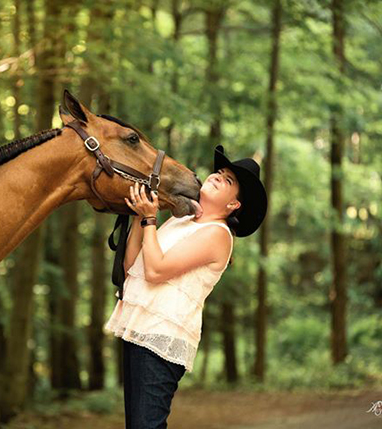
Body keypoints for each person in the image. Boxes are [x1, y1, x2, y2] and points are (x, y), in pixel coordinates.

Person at [103, 144, 268, 429]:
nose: (217, 176)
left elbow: (155, 271)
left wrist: (151, 219)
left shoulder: (218, 234)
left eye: (228, 181)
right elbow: (134, 268)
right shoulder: (181, 221)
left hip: (162, 338)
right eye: (219, 172)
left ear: (234, 205)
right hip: (140, 330)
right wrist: (137, 214)